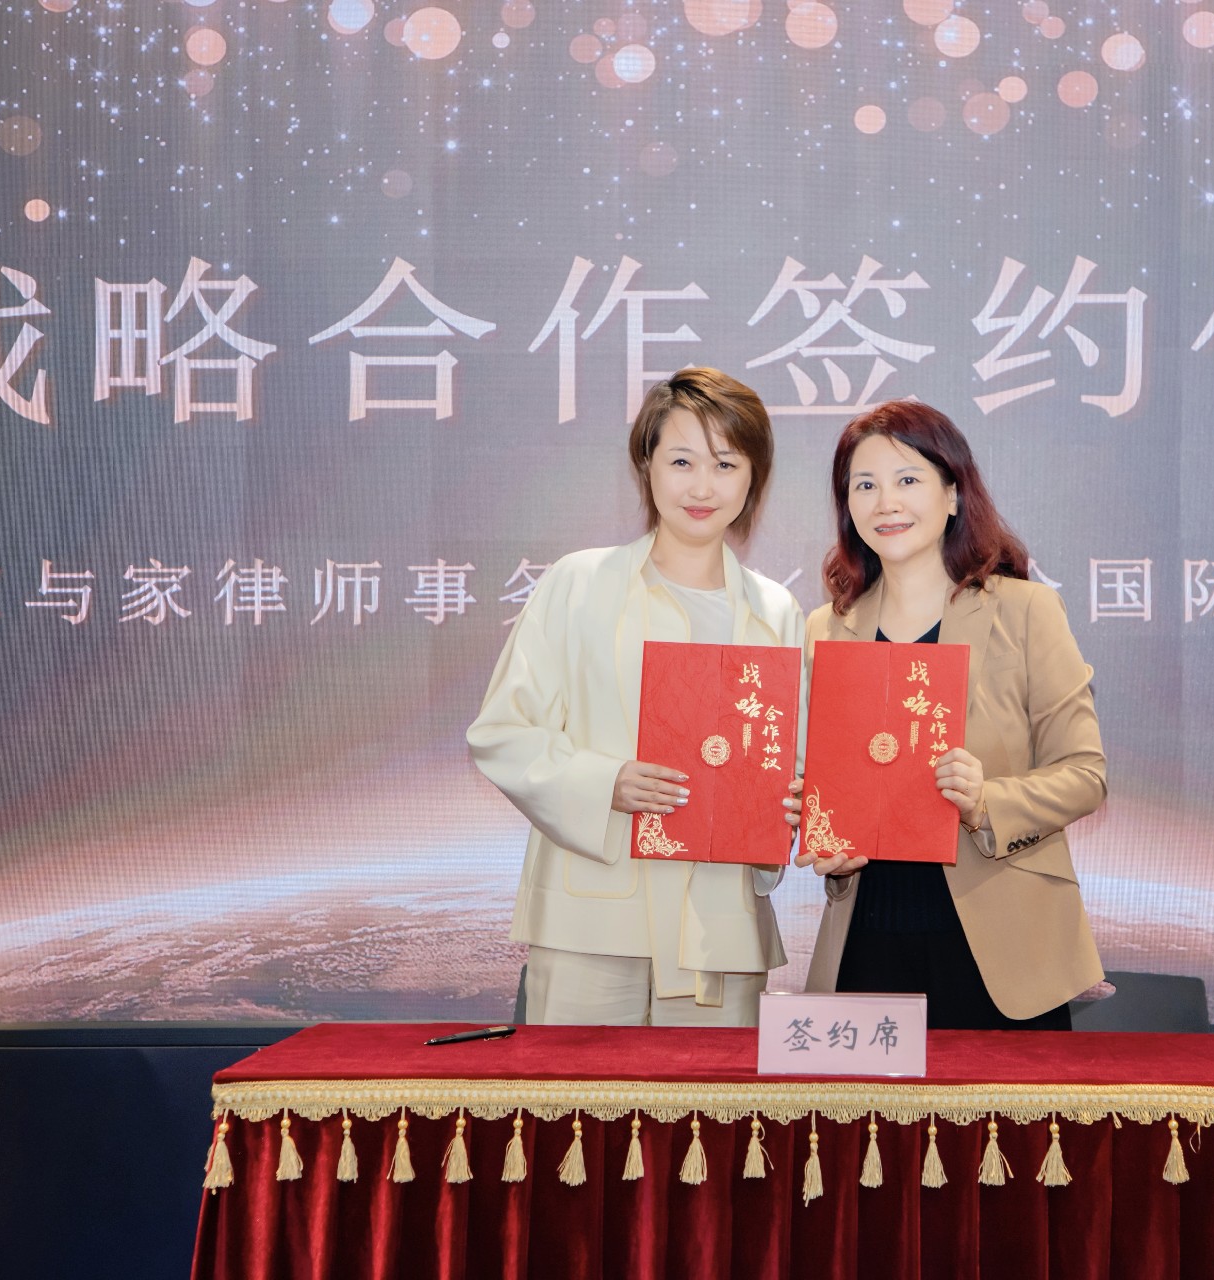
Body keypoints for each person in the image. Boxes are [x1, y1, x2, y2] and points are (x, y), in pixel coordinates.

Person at [467, 368, 803, 1027]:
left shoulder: (776, 611)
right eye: (681, 461)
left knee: (715, 1097)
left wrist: (788, 804)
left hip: (721, 928)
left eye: (725, 464)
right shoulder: (578, 584)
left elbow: (786, 759)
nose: (702, 487)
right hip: (591, 914)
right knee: (580, 1096)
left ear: (753, 478)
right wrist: (605, 781)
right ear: (646, 465)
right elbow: (503, 731)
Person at [798, 400, 1109, 1030]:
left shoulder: (1025, 611)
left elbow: (1085, 775)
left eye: (907, 479)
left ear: (952, 494)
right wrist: (824, 832)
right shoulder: (826, 629)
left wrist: (985, 801)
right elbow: (834, 779)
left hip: (1004, 952)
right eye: (865, 485)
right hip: (867, 942)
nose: (886, 502)